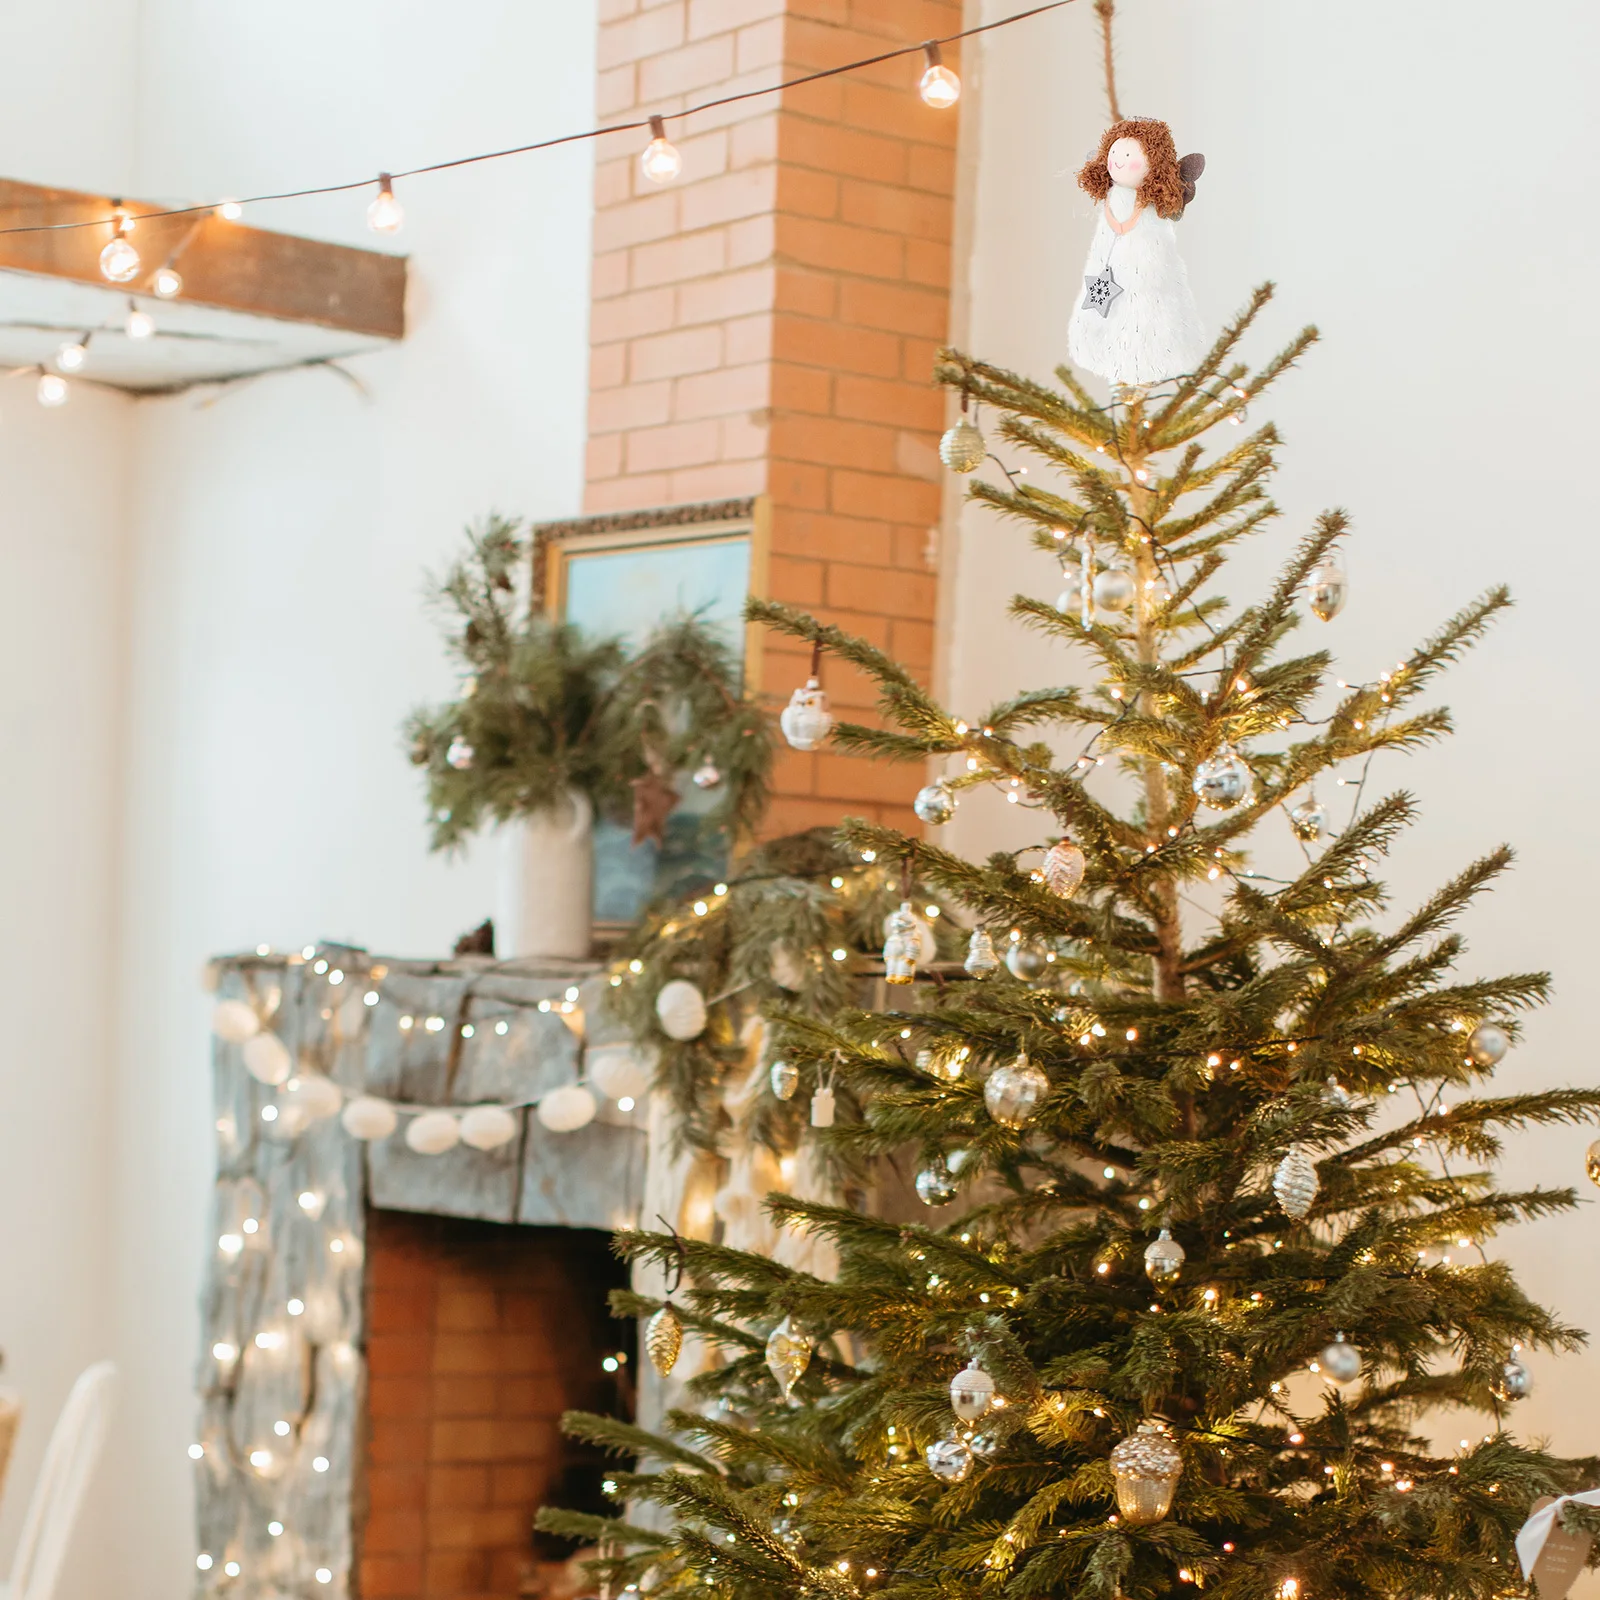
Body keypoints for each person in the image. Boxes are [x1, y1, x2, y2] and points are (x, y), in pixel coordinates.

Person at [1068, 117, 1206, 389]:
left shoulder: (1151, 212)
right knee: (1105, 323)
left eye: (1129, 155)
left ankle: (1143, 369)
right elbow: (1101, 246)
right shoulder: (1112, 200)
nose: (1118, 160)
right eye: (1116, 153)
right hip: (1104, 281)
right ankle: (1112, 361)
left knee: (1143, 321)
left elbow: (1154, 253)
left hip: (1144, 285)